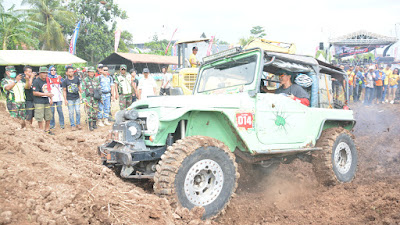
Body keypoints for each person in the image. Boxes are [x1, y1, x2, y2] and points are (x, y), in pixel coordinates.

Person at [32, 67, 54, 135]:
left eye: (46, 73)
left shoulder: (47, 80)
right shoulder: (36, 81)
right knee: (40, 117)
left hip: (46, 100)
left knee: (48, 115)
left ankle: (47, 129)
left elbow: (49, 89)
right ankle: (41, 130)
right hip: (38, 101)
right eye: (43, 73)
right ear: (40, 73)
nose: (45, 74)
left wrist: (51, 99)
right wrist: (45, 94)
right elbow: (34, 92)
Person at [62, 66, 82, 131]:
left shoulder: (77, 79)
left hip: (77, 98)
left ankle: (78, 123)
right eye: (70, 72)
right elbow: (64, 90)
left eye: (72, 71)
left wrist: (82, 94)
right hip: (69, 99)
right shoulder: (65, 81)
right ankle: (72, 125)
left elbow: (79, 87)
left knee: (78, 110)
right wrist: (65, 99)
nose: (71, 73)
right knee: (71, 112)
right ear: (67, 73)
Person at [82, 67, 100, 131]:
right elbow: (83, 90)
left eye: (93, 72)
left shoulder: (96, 79)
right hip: (88, 98)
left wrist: (100, 97)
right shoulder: (85, 80)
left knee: (95, 111)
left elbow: (99, 88)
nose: (92, 73)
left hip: (95, 98)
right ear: (88, 72)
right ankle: (90, 125)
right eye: (90, 72)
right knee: (89, 112)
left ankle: (94, 124)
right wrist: (84, 99)